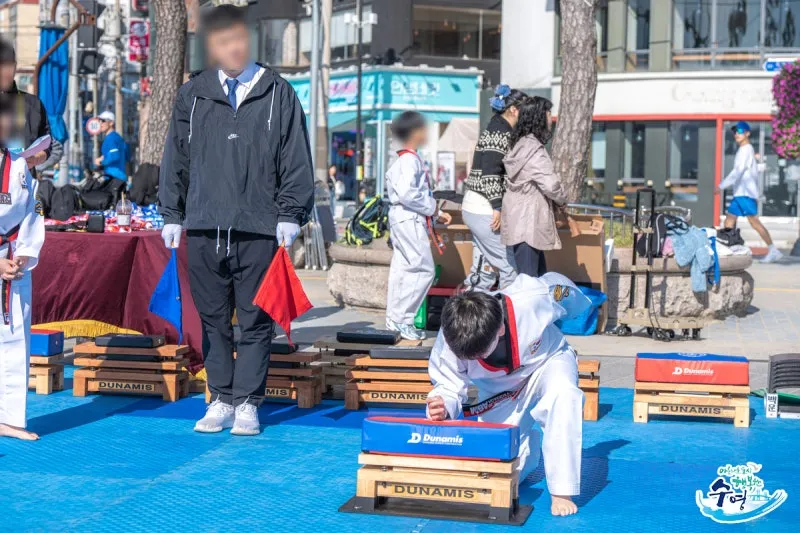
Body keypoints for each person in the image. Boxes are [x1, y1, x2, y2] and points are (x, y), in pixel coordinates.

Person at [159, 5, 313, 435]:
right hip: (204, 223)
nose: (232, 48)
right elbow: (176, 157)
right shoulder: (193, 94)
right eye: (223, 41)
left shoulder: (278, 93)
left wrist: (291, 212)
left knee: (255, 320)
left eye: (239, 40)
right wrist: (171, 213)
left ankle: (247, 402)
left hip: (258, 226)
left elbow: (295, 157)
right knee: (212, 319)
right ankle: (221, 398)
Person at [426, 273, 588, 516]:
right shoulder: (451, 334)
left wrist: (579, 310)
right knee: (495, 472)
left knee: (563, 395)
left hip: (548, 361)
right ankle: (529, 450)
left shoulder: (533, 297)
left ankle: (562, 491)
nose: (474, 359)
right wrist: (443, 403)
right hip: (500, 390)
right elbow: (449, 384)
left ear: (500, 328)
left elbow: (565, 291)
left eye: (479, 352)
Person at [0, 94, 46, 441]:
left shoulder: (19, 165)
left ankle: (9, 418)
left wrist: (26, 253)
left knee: (15, 337)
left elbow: (34, 209)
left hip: (14, 257)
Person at [385, 111, 451, 340]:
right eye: (423, 129)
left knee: (403, 268)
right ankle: (403, 319)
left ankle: (395, 319)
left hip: (402, 217)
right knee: (423, 269)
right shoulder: (410, 160)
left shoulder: (403, 159)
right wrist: (434, 209)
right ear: (414, 133)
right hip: (409, 217)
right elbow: (408, 193)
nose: (426, 134)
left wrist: (433, 211)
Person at [462, 84, 527, 290]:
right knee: (509, 267)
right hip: (485, 208)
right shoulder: (500, 132)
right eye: (525, 110)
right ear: (514, 109)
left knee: (484, 272)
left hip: (477, 206)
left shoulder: (496, 128)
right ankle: (510, 309)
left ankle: (469, 308)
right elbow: (490, 171)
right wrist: (497, 206)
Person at [502, 96, 567, 277]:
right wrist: (563, 199)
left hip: (518, 218)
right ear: (538, 116)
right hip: (529, 220)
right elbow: (551, 185)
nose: (551, 117)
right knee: (530, 281)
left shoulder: (519, 144)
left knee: (534, 277)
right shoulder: (534, 150)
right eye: (548, 112)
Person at [716, 121, 783, 263]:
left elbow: (738, 171)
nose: (737, 134)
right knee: (730, 219)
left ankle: (773, 250)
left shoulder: (746, 149)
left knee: (754, 222)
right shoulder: (745, 149)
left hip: (745, 194)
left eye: (740, 131)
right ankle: (728, 247)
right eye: (735, 131)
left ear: (747, 133)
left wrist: (721, 186)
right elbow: (749, 169)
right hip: (740, 193)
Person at [0, 38, 60, 174]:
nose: (6, 71)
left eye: (9, 65)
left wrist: (36, 158)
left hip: (23, 181)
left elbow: (47, 143)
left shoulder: (33, 104)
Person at [90, 111, 128, 204]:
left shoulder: (111, 138)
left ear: (111, 123)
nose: (100, 123)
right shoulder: (117, 137)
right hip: (119, 178)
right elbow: (126, 155)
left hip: (114, 178)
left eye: (103, 121)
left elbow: (115, 156)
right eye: (99, 121)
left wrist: (101, 161)